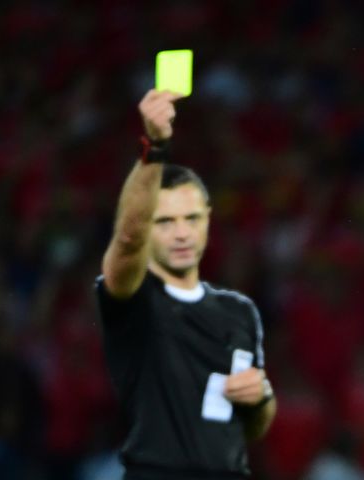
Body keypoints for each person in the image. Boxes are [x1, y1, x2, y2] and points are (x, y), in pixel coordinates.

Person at [94, 89, 276, 480]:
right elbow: (127, 240)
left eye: (191, 218)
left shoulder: (239, 310)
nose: (181, 233)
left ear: (208, 219)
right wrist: (154, 147)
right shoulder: (134, 300)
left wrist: (260, 400)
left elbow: (253, 426)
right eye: (165, 221)